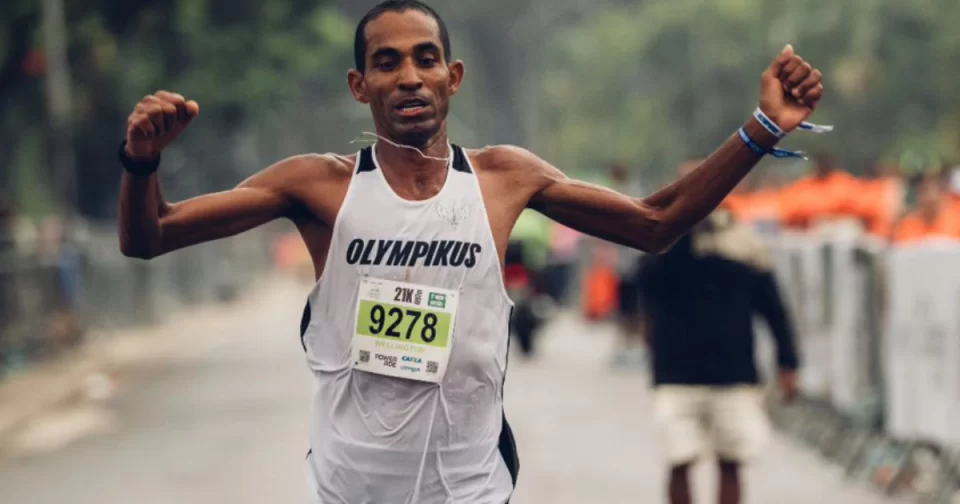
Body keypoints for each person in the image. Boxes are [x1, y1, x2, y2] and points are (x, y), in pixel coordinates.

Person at [115, 1, 825, 502]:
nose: (409, 77)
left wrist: (763, 128)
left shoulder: (503, 178)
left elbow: (655, 222)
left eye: (426, 60)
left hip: (471, 485)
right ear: (360, 86)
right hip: (351, 486)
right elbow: (150, 238)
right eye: (386, 64)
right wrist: (140, 165)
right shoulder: (320, 187)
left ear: (452, 77)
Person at [636, 161, 801, 504]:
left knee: (732, 462)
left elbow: (773, 308)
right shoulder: (663, 240)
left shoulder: (744, 241)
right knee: (678, 459)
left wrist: (788, 361)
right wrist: (681, 226)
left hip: (733, 372)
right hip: (675, 372)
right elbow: (644, 287)